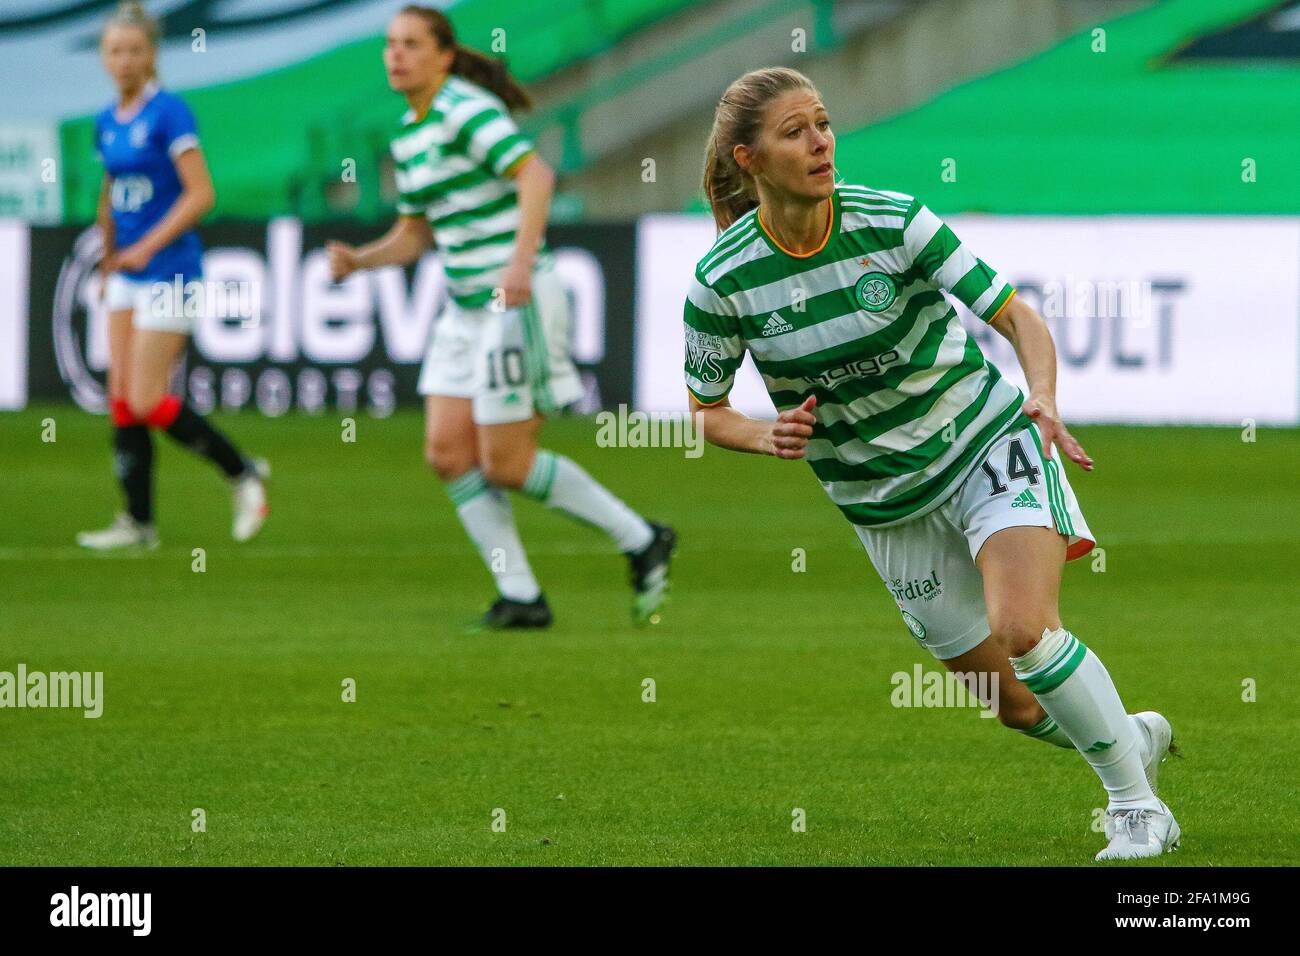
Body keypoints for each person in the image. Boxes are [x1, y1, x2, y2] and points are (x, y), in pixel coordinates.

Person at [685, 67, 1179, 861]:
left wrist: (1042, 396)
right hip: (881, 502)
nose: (820, 143)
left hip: (984, 440)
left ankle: (1135, 807)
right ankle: (1126, 738)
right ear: (748, 159)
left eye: (823, 123)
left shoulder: (893, 220)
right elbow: (708, 410)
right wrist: (762, 434)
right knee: (1016, 705)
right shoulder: (723, 281)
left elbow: (1016, 314)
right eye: (794, 132)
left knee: (1025, 628)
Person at [327, 5, 674, 629]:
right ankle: (520, 595)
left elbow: (535, 174)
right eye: (388, 44)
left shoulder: (464, 110)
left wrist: (519, 263)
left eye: (409, 44)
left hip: (515, 301)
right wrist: (360, 261)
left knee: (506, 462)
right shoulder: (409, 132)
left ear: (444, 54)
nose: (395, 55)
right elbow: (415, 234)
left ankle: (641, 536)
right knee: (445, 452)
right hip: (465, 311)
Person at [78, 1, 267, 551]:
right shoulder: (106, 122)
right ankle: (138, 523)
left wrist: (145, 249)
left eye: (134, 50)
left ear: (152, 55)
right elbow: (111, 193)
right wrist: (109, 256)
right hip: (128, 273)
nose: (124, 60)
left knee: (144, 397)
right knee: (120, 395)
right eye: (115, 50)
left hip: (171, 271)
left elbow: (201, 194)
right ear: (103, 57)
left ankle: (241, 472)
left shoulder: (170, 114)